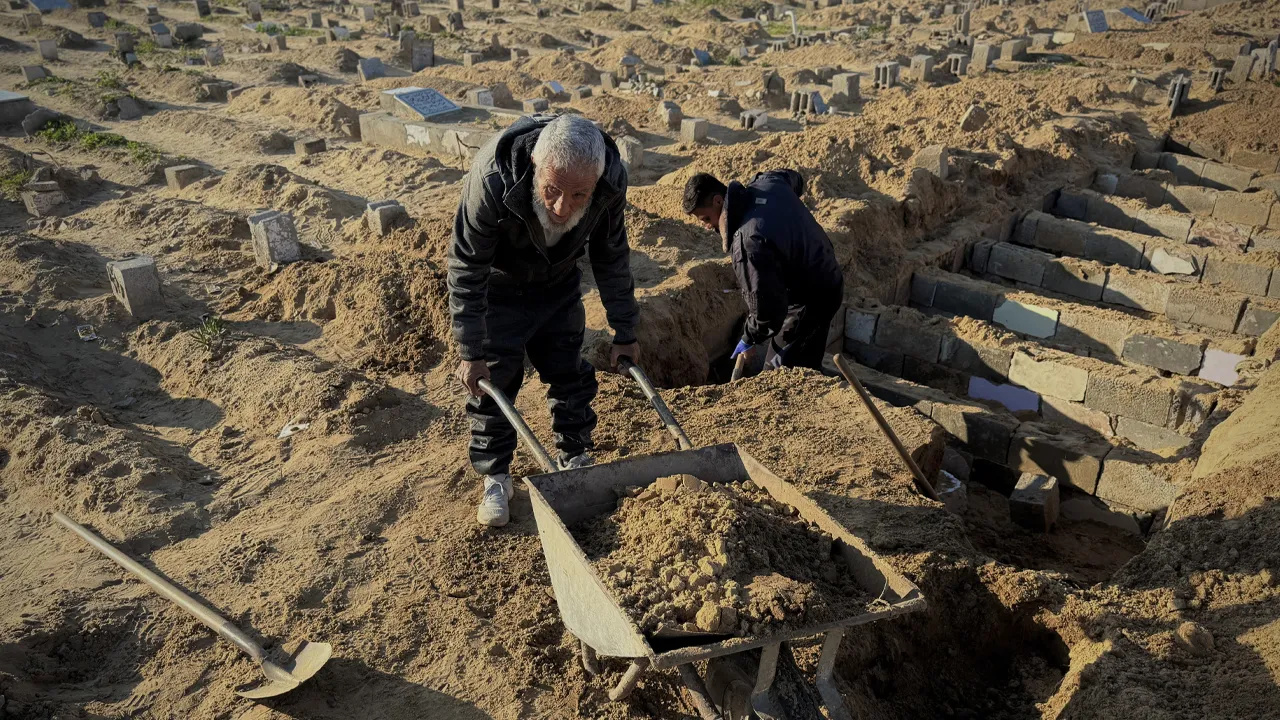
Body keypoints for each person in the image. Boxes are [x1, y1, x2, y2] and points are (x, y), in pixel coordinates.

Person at [449, 114, 640, 528]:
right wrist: (471, 351)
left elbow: (611, 255)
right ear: (536, 164)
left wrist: (625, 330)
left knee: (568, 371)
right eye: (552, 189)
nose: (561, 207)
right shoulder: (493, 179)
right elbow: (466, 267)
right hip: (499, 287)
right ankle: (497, 476)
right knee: (495, 381)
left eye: (579, 195)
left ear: (596, 183)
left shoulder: (610, 182)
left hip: (558, 281)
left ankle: (574, 455)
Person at [682, 170, 843, 373]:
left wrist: (749, 338)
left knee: (778, 377)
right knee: (805, 358)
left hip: (811, 300)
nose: (706, 226)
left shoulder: (749, 243)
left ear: (718, 201)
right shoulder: (769, 182)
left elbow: (768, 310)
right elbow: (794, 178)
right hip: (828, 273)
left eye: (706, 218)